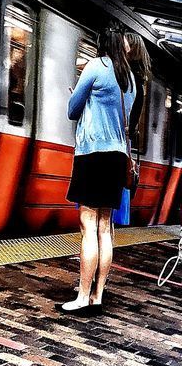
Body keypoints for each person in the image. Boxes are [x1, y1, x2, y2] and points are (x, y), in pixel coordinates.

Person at [60, 25, 136, 314]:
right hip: (117, 158)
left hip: (93, 154)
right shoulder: (129, 79)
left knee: (87, 225)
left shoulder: (96, 66)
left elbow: (72, 110)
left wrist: (78, 96)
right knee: (105, 227)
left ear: (101, 44)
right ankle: (98, 295)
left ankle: (81, 297)